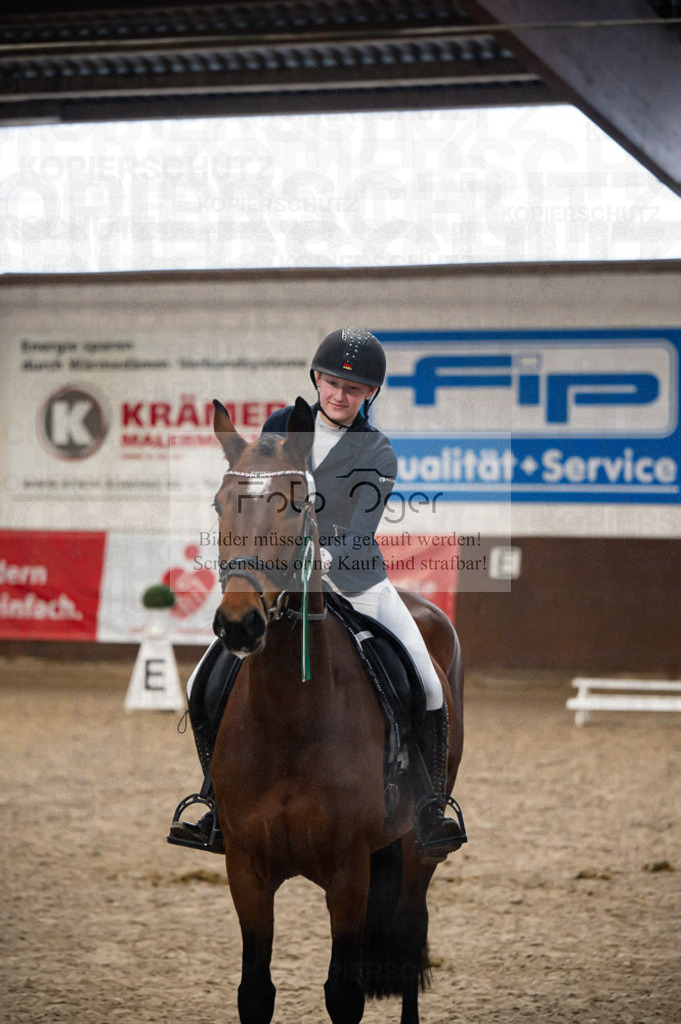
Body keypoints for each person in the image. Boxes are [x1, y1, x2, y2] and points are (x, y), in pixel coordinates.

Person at [169, 328, 463, 856]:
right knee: (202, 681)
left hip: (355, 579)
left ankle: (429, 806)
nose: (339, 394)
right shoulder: (283, 426)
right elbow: (260, 493)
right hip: (282, 581)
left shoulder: (376, 450)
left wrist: (324, 552)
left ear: (370, 394)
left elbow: (362, 525)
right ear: (316, 379)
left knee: (428, 680)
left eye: (354, 388)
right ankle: (215, 804)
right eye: (331, 382)